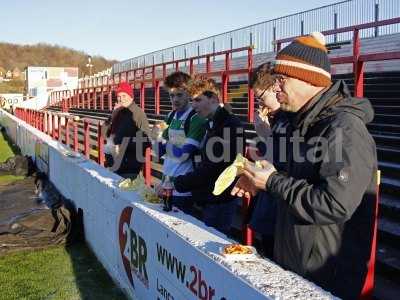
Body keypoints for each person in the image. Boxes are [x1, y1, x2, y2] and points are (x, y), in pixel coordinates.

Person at [232, 32, 378, 299]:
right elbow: (293, 179)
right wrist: (259, 181)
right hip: (296, 263)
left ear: (307, 79)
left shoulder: (344, 128)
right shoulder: (304, 123)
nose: (275, 88)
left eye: (281, 79)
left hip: (325, 277)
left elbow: (334, 204)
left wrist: (272, 181)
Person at [172, 77, 245, 234]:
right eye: (192, 101)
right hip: (211, 198)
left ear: (213, 98)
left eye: (198, 100)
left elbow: (212, 168)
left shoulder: (229, 125)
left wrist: (177, 183)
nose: (194, 105)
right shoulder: (213, 124)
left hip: (220, 200)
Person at [154, 71, 207, 214]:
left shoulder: (195, 118)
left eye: (179, 95)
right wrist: (157, 138)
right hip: (167, 185)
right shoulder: (170, 116)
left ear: (188, 94)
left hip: (184, 191)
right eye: (172, 95)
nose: (175, 99)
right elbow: (159, 153)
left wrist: (164, 142)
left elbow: (184, 155)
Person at [246, 62, 282, 258]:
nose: (260, 105)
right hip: (267, 207)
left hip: (280, 212)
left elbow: (285, 161)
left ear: (276, 87)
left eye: (261, 97)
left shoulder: (290, 120)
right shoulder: (275, 119)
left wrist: (266, 137)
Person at [103, 81, 151, 179]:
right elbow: (103, 133)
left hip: (128, 168)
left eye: (124, 96)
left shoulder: (138, 113)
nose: (121, 99)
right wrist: (112, 115)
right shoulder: (119, 112)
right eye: (119, 96)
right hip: (114, 164)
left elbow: (146, 141)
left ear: (131, 96)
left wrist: (122, 145)